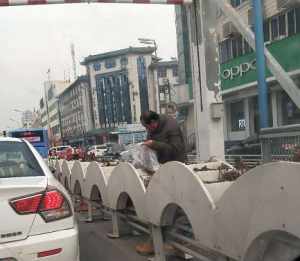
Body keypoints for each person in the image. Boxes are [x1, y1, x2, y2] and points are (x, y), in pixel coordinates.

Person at [135, 111, 186, 256]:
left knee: (170, 206)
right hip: (161, 169)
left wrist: (155, 144)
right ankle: (168, 242)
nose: (147, 131)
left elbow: (176, 149)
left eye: (148, 128)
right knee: (162, 204)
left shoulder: (172, 126)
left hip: (175, 169)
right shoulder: (153, 130)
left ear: (153, 122)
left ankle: (168, 243)